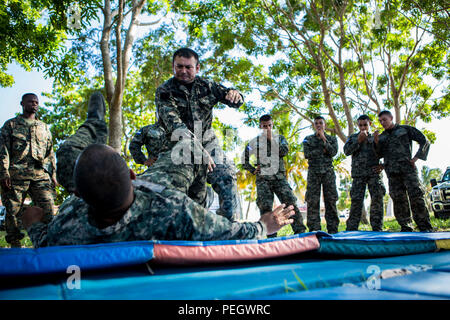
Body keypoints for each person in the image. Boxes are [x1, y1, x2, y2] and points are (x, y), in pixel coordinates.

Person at [22, 92, 295, 248]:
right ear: (131, 174)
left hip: (124, 187)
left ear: (76, 195)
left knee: (69, 154)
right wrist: (265, 225)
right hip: (157, 184)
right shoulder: (172, 210)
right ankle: (203, 190)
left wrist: (33, 223)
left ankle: (94, 124)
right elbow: (229, 233)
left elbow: (45, 244)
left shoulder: (69, 221)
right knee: (188, 152)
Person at [155, 48, 243, 209]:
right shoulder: (164, 91)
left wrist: (234, 94)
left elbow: (234, 98)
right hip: (178, 147)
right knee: (187, 199)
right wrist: (196, 149)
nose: (183, 71)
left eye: (188, 67)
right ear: (173, 67)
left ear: (197, 68)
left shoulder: (207, 85)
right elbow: (175, 125)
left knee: (226, 176)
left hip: (208, 144)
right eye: (179, 66)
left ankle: (230, 228)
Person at [129, 123, 242, 221]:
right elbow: (134, 145)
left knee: (190, 205)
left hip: (183, 171)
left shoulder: (183, 129)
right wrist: (144, 161)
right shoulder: (147, 129)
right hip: (161, 173)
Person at [0, 93, 56, 248]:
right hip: (16, 175)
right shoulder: (10, 125)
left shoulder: (44, 127)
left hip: (40, 175)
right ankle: (15, 243)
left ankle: (49, 241)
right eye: (31, 102)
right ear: (22, 103)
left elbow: (50, 153)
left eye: (37, 102)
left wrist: (53, 175)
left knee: (49, 208)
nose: (34, 104)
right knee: (12, 209)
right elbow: (3, 150)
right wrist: (4, 173)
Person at [242, 114, 306, 236]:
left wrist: (271, 139)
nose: (267, 128)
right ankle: (270, 237)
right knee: (265, 208)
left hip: (279, 178)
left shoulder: (280, 138)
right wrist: (252, 170)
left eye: (269, 126)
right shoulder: (254, 142)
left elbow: (284, 151)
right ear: (260, 126)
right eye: (264, 126)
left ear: (272, 125)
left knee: (290, 203)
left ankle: (300, 233)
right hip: (263, 180)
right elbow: (244, 159)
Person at [374, 110, 433, 232]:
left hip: (408, 170)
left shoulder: (405, 129)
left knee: (416, 197)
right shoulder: (382, 137)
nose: (382, 123)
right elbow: (378, 154)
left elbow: (424, 140)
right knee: (398, 200)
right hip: (392, 173)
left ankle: (425, 227)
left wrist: (416, 158)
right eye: (380, 121)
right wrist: (376, 142)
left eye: (384, 119)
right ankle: (406, 227)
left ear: (391, 117)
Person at [344, 115, 386, 231]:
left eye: (365, 125)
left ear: (370, 124)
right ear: (358, 125)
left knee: (377, 200)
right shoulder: (353, 137)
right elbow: (346, 151)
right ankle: (352, 229)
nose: (363, 127)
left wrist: (382, 165)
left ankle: (377, 228)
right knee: (356, 202)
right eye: (360, 125)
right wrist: (358, 140)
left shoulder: (375, 137)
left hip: (374, 174)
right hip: (358, 175)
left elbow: (385, 153)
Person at [302, 116, 339, 233]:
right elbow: (307, 154)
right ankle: (314, 230)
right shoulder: (307, 139)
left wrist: (324, 141)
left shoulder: (332, 139)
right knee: (312, 201)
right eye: (316, 123)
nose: (318, 125)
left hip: (328, 172)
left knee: (331, 200)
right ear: (314, 125)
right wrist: (321, 150)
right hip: (313, 173)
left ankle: (333, 229)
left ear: (325, 125)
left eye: (320, 123)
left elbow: (333, 152)